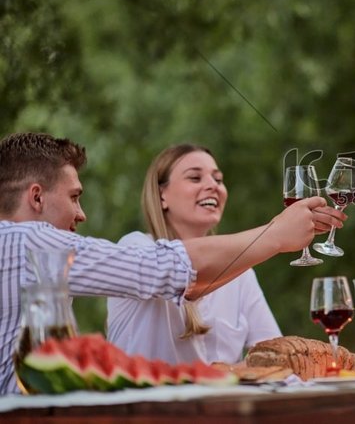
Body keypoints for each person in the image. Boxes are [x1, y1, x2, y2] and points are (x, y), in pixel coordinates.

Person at [0, 132, 344, 394]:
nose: (82, 214)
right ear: (36, 197)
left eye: (218, 178)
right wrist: (274, 235)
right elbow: (172, 272)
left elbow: (276, 359)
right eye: (74, 197)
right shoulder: (28, 242)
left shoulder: (39, 265)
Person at [108, 145, 281, 364]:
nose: (212, 186)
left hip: (222, 398)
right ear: (162, 195)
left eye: (218, 179)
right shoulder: (137, 249)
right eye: (195, 178)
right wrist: (276, 235)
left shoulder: (241, 273)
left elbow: (276, 352)